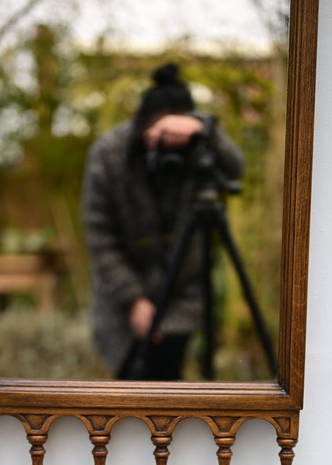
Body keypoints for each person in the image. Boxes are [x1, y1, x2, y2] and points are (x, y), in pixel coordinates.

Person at [82, 63, 244, 380]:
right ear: (141, 126)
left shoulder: (200, 145)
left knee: (169, 384)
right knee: (131, 387)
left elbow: (236, 169)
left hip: (182, 296)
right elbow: (100, 236)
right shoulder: (109, 154)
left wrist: (204, 128)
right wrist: (134, 300)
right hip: (122, 298)